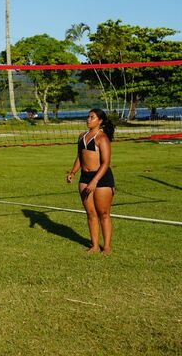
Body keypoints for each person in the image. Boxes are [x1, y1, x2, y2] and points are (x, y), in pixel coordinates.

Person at [66, 109, 116, 255]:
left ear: (99, 121)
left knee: (104, 213)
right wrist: (73, 172)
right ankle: (94, 246)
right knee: (91, 213)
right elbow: (80, 157)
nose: (88, 119)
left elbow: (106, 163)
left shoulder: (102, 138)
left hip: (102, 178)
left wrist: (95, 181)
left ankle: (106, 247)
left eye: (92, 117)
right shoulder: (82, 136)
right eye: (88, 117)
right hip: (85, 178)